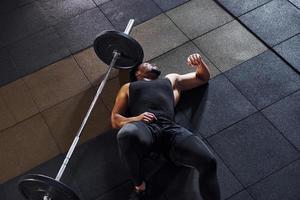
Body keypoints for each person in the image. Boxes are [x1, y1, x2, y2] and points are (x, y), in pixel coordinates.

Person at [111, 53, 221, 200]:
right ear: (138, 72)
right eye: (147, 63)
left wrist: (200, 63)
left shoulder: (170, 80)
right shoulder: (129, 87)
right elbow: (115, 119)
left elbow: (202, 78)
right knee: (125, 134)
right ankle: (139, 184)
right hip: (145, 129)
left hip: (170, 131)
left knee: (209, 161)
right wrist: (135, 119)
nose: (152, 63)